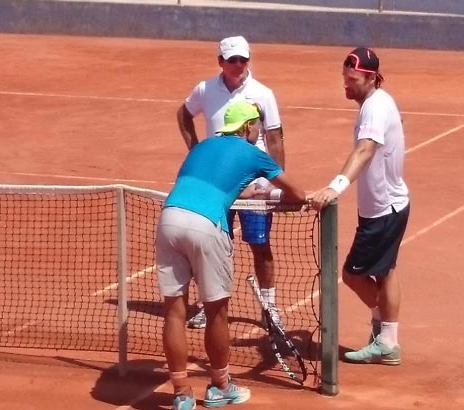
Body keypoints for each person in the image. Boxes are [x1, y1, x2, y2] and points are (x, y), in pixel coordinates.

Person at [157, 101, 307, 410]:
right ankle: (220, 387)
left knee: (174, 311)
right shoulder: (252, 152)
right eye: (256, 126)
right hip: (206, 225)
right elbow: (299, 194)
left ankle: (182, 394)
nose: (258, 131)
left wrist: (242, 192)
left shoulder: (202, 147)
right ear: (248, 126)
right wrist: (272, 194)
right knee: (216, 312)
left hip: (169, 219)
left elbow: (206, 183)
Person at [177, 35, 287, 330]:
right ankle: (205, 304)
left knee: (259, 245)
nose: (238, 65)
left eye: (243, 59)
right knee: (212, 245)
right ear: (220, 62)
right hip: (217, 185)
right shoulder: (204, 90)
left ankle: (269, 306)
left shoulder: (263, 94)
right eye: (232, 60)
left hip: (255, 185)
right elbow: (183, 114)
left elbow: (274, 138)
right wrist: (196, 149)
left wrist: (278, 184)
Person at [309, 47, 410, 366]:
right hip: (388, 206)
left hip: (383, 211)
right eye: (344, 78)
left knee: (353, 275)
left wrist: (334, 187)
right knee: (385, 272)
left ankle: (386, 338)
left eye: (351, 79)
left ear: (369, 77)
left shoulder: (374, 108)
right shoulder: (380, 102)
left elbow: (365, 150)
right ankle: (387, 337)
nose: (345, 85)